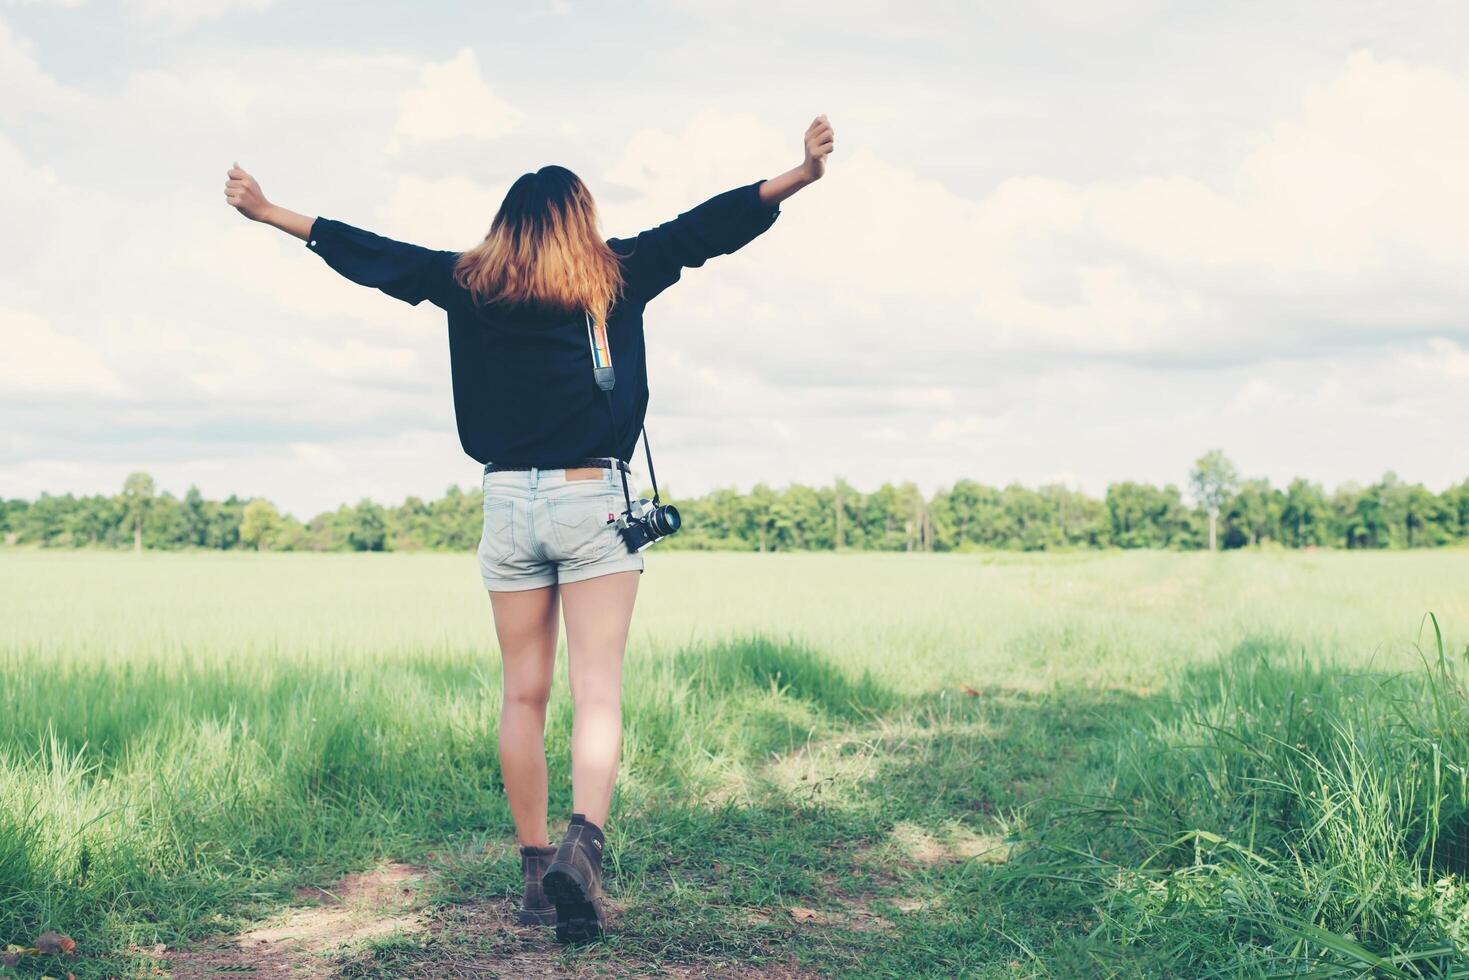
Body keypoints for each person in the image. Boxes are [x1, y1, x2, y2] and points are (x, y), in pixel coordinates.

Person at [223, 114, 835, 943]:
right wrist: (798, 174)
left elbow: (371, 253)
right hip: (594, 501)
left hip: (506, 504)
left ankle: (534, 878)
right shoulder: (617, 272)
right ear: (579, 219)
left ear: (505, 224)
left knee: (522, 692)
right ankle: (581, 851)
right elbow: (707, 227)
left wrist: (270, 213)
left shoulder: (465, 282)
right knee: (597, 691)